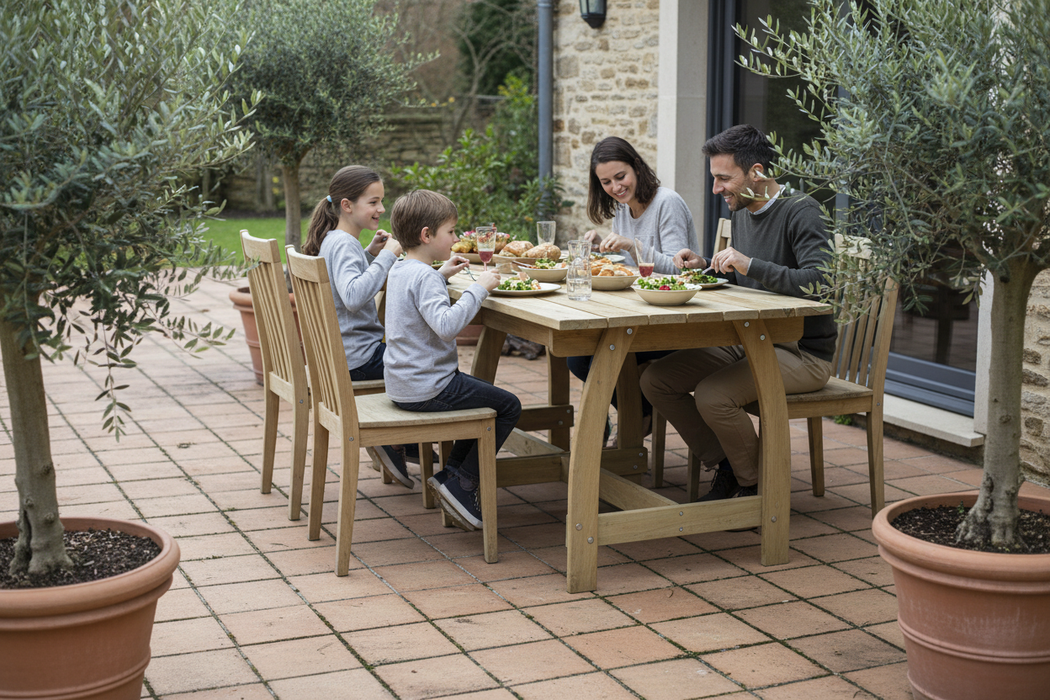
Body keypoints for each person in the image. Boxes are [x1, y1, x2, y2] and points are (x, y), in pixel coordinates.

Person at [640, 124, 837, 501]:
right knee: (656, 380)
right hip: (751, 340)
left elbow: (821, 281)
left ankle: (757, 486)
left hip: (802, 352)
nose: (716, 189)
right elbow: (742, 273)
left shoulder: (802, 210)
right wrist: (704, 266)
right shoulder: (746, 206)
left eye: (723, 178)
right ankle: (733, 464)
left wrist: (750, 264)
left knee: (713, 395)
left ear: (757, 172)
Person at [384, 189, 522, 530]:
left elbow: (419, 297)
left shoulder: (401, 270)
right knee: (507, 406)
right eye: (451, 232)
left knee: (482, 395)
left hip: (403, 385)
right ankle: (463, 483)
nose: (457, 238)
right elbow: (446, 327)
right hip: (429, 388)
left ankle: (452, 477)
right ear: (427, 236)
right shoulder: (425, 277)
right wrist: (480, 288)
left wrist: (441, 273)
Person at [572, 136, 701, 443]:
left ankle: (627, 421)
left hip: (676, 317)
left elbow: (678, 266)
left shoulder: (666, 203)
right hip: (642, 311)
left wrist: (634, 245)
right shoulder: (622, 208)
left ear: (638, 168)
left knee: (594, 357)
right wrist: (599, 246)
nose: (616, 187)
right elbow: (625, 265)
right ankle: (641, 412)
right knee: (576, 355)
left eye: (621, 176)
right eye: (606, 182)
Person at [302, 165, 415, 488]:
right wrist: (388, 257)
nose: (381, 209)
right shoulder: (343, 243)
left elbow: (343, 285)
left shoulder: (338, 241)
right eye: (373, 202)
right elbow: (352, 296)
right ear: (347, 206)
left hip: (348, 354)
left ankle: (407, 444)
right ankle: (393, 437)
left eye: (381, 201)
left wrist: (369, 254)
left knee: (410, 358)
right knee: (423, 365)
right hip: (360, 360)